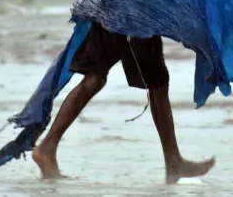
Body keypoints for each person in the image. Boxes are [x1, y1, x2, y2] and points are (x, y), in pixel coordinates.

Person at [31, 21, 216, 183]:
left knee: (97, 76)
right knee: (155, 81)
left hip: (115, 2)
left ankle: (47, 147)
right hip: (131, 7)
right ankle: (173, 161)